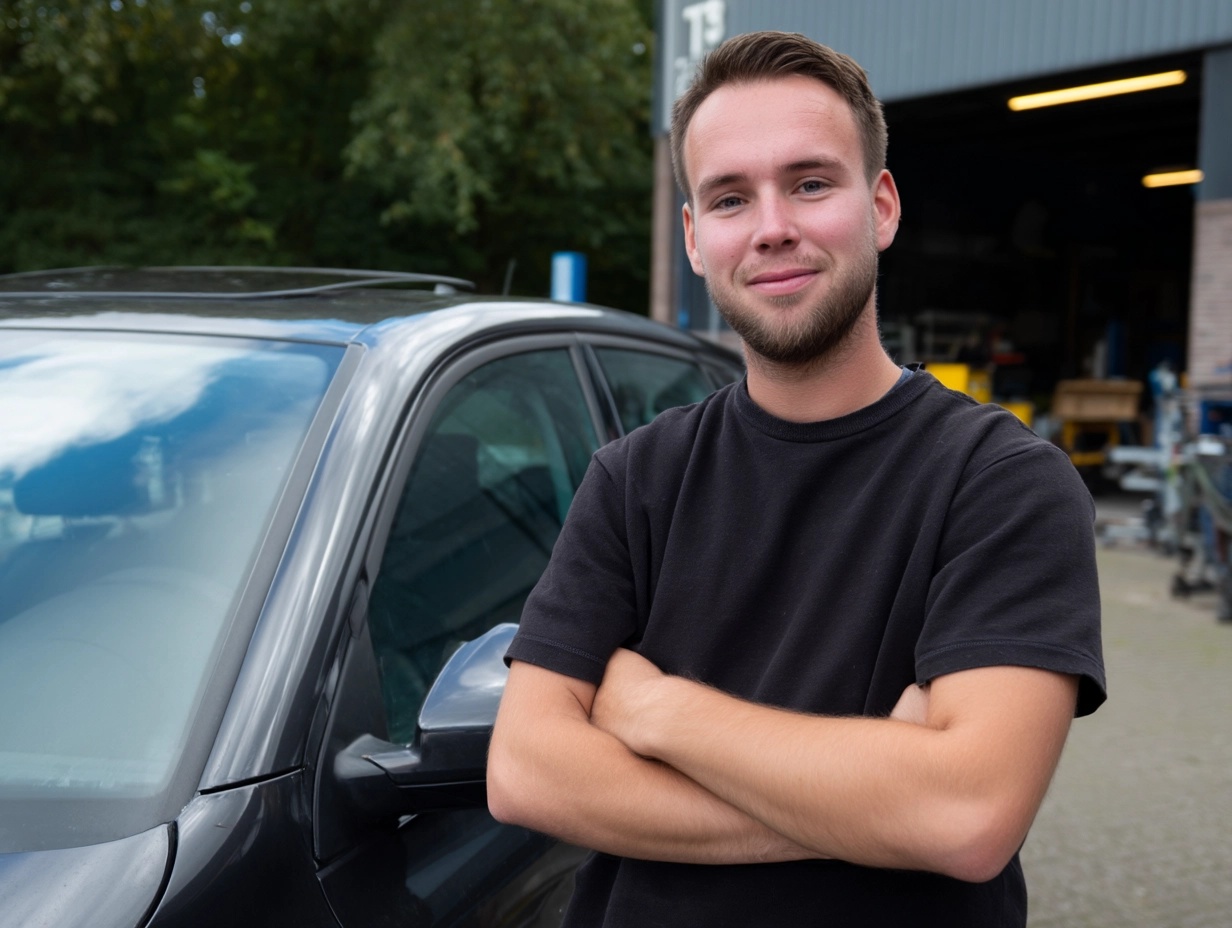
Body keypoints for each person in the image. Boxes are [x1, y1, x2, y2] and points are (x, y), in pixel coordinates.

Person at [487, 30, 1105, 927]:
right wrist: (870, 798)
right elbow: (526, 772)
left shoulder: (1004, 483)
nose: (773, 226)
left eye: (810, 183)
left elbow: (966, 816)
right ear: (696, 240)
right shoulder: (634, 479)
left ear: (881, 206)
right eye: (731, 197)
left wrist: (656, 710)